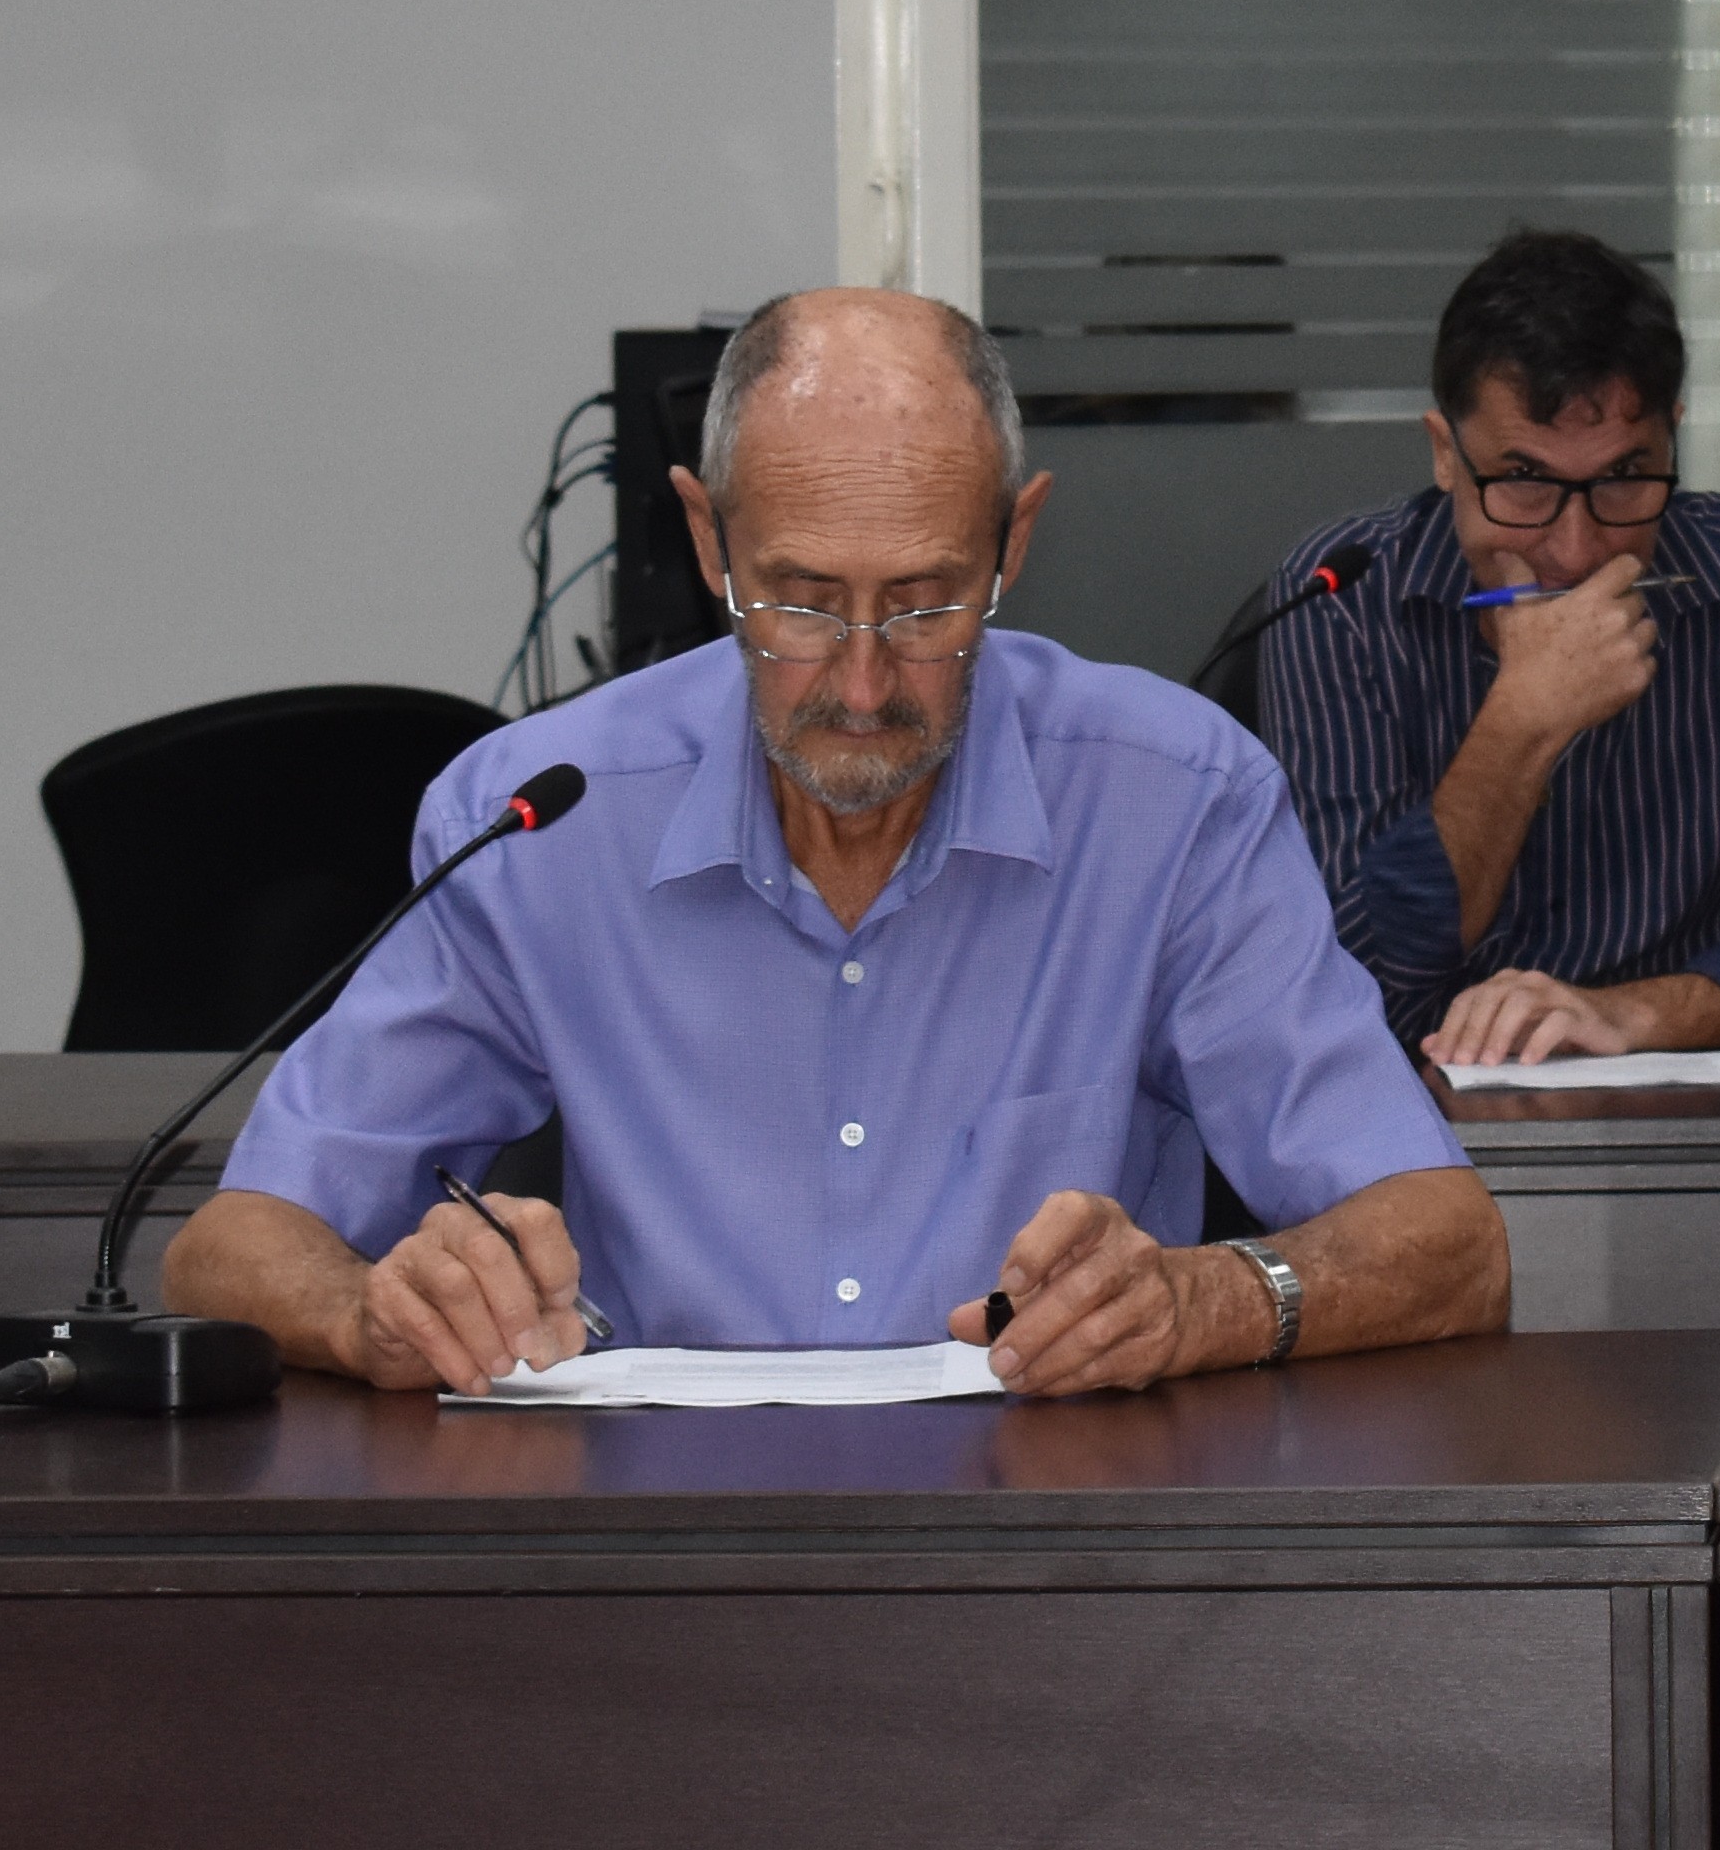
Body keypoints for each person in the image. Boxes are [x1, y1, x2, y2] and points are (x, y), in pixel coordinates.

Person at [163, 290, 1512, 1394]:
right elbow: (233, 1246)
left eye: (926, 606)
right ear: (710, 541)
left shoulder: (1173, 801)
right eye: (801, 604)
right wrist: (373, 1315)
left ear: (1014, 544)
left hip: (1049, 1554)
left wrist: (1206, 1299)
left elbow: (1450, 1244)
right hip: (654, 1553)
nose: (863, 685)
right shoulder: (539, 818)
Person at [1252, 230, 1720, 1070]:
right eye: (1525, 481)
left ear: (1673, 441)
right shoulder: (1343, 599)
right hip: (1421, 1118)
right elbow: (1342, 985)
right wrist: (1522, 722)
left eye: (1622, 479)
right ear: (1445, 454)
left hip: (1707, 1114)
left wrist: (1628, 1015)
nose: (1575, 550)